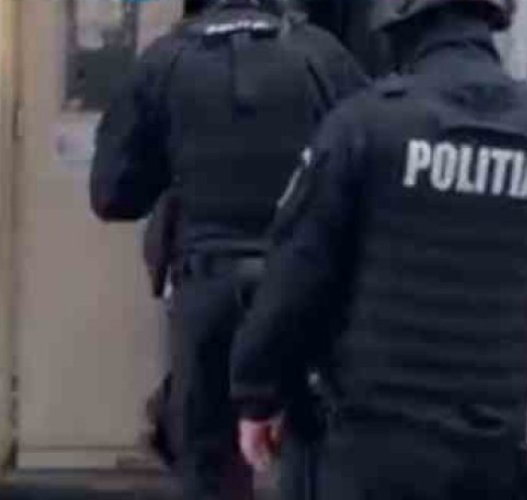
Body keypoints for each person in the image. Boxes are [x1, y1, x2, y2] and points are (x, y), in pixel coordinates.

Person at [230, 0, 527, 499]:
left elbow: (296, 278)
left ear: (403, 20)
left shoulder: (363, 125)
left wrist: (259, 395)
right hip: (490, 461)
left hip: (363, 456)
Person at [89, 0, 368, 498]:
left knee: (209, 469)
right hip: (302, 290)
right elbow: (369, 173)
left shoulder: (165, 59)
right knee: (310, 457)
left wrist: (175, 167)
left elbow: (113, 195)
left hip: (207, 289)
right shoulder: (323, 54)